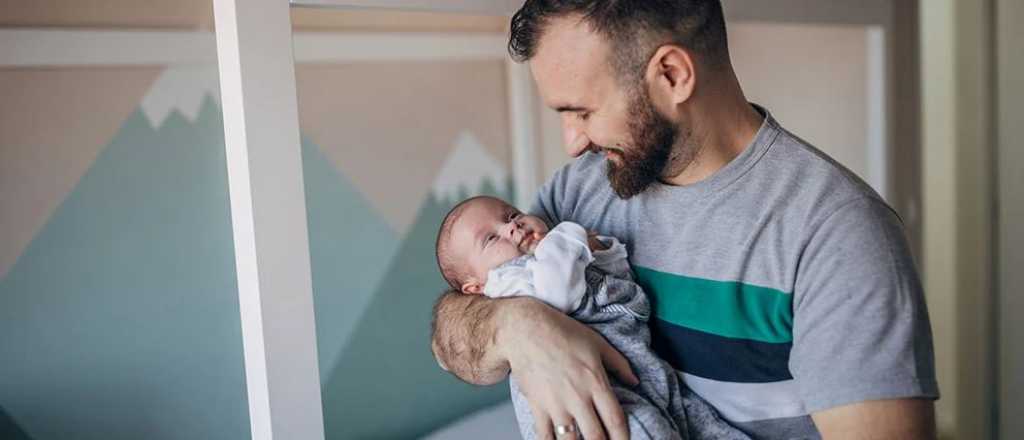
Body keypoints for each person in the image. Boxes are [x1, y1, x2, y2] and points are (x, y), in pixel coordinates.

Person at [430, 1, 939, 439]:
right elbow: (447, 337)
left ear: (672, 74)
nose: (573, 142)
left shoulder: (838, 234)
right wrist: (519, 328)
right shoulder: (581, 188)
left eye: (582, 112)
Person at [434, 195, 751, 439]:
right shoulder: (507, 281)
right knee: (642, 428)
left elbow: (618, 270)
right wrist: (569, 237)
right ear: (475, 288)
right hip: (591, 400)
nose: (511, 227)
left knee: (704, 425)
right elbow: (558, 292)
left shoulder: (548, 251)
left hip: (646, 372)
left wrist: (597, 248)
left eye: (512, 215)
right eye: (491, 238)